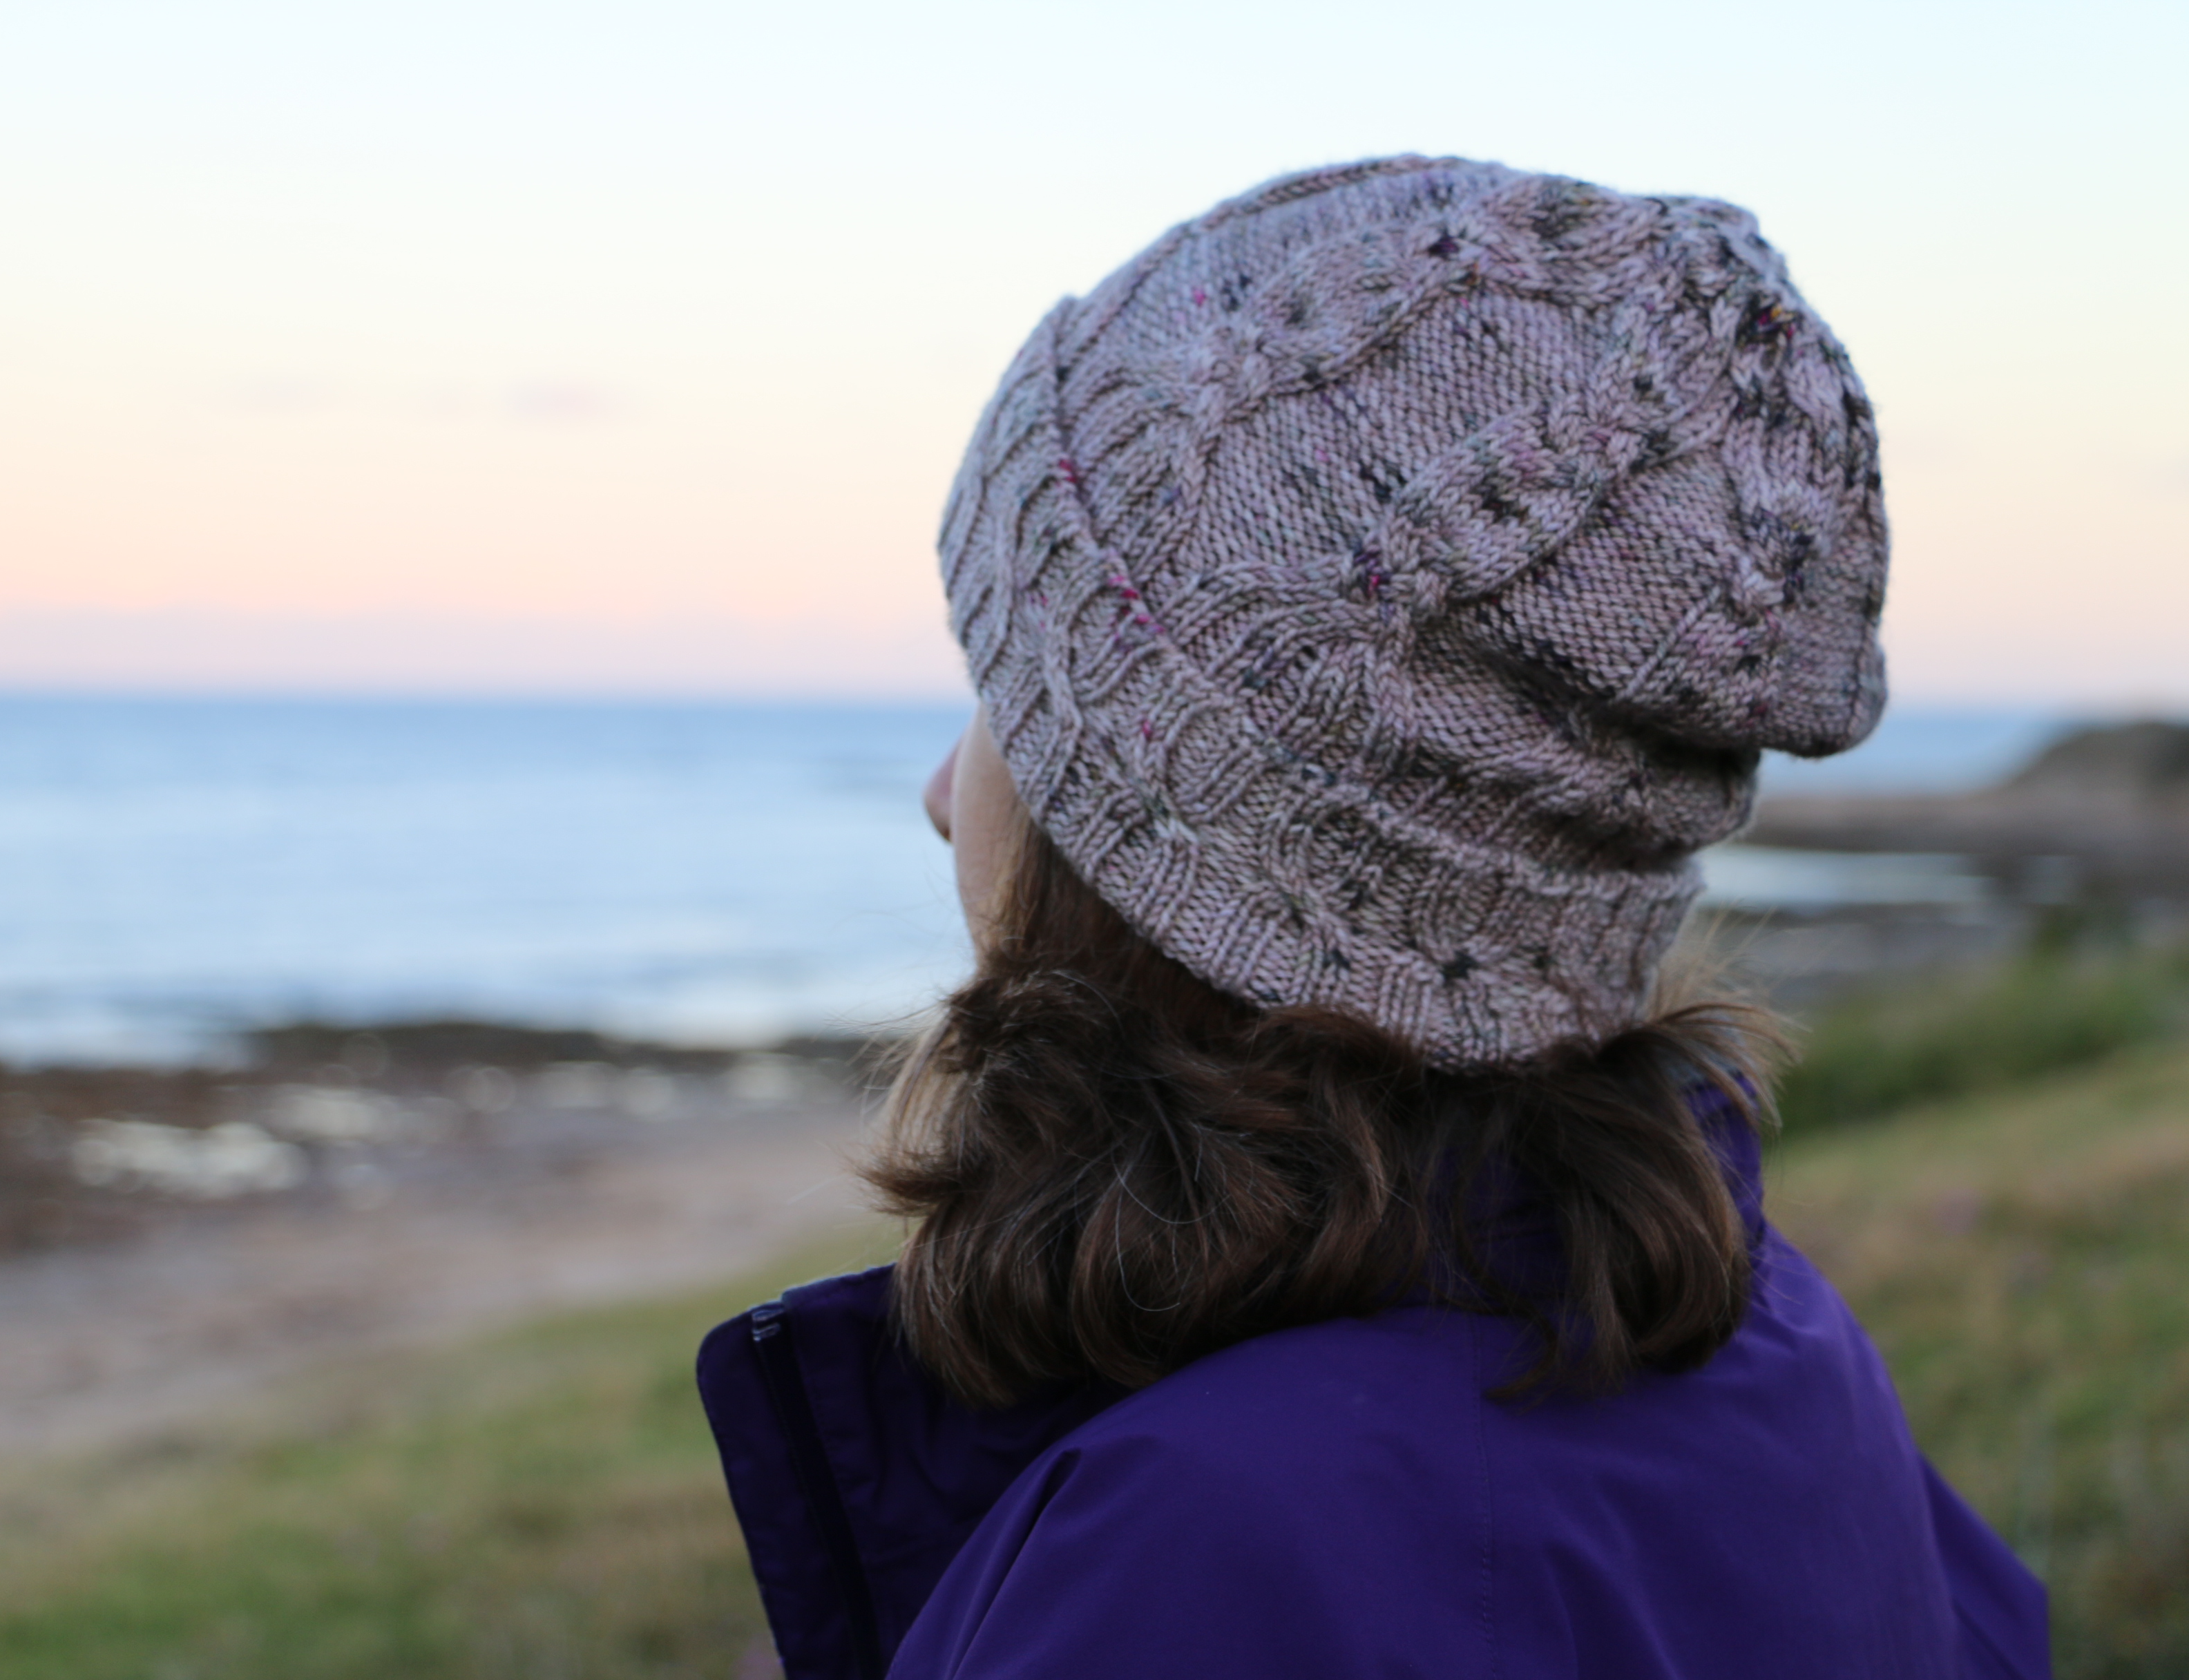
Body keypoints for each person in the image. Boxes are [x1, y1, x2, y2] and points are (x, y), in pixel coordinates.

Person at [698, 156, 2049, 1679]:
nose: (947, 788)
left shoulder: (1193, 1561)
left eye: (1016, 700)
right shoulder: (1766, 1333)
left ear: (1195, 855)